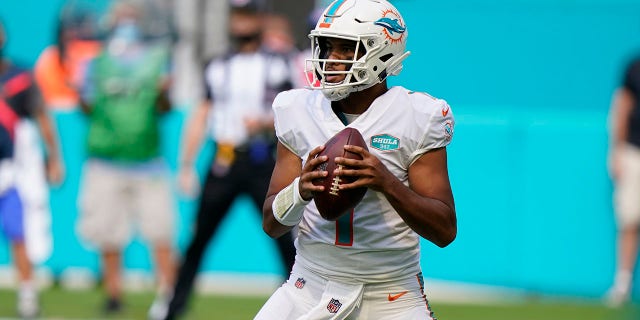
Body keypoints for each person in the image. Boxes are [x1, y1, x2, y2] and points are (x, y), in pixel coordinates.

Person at [255, 0, 457, 319]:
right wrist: (300, 190)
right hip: (308, 287)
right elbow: (271, 224)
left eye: (345, 49)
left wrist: (387, 183)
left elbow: (445, 230)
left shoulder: (418, 116)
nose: (330, 60)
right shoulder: (297, 110)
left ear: (383, 52)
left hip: (391, 296)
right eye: (326, 47)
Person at [160, 3, 296, 319]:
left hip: (262, 159)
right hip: (224, 159)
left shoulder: (279, 63)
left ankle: (302, 303)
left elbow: (294, 113)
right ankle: (173, 307)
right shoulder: (217, 65)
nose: (242, 23)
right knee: (198, 239)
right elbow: (202, 113)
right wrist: (185, 164)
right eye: (237, 15)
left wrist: (265, 124)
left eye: (248, 15)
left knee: (283, 236)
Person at [75, 0, 176, 315]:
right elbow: (87, 106)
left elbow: (164, 107)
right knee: (108, 233)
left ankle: (167, 294)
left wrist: (162, 93)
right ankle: (114, 294)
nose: (126, 24)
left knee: (160, 231)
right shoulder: (94, 63)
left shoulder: (158, 61)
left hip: (147, 160)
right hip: (105, 159)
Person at [0, 20, 64, 318]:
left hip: (9, 170)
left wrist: (54, 157)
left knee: (19, 233)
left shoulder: (19, 78)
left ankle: (27, 294)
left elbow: (42, 118)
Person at [606, 56, 640, 306]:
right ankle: (623, 285)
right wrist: (616, 150)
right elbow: (622, 105)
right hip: (633, 152)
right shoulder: (635, 66)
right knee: (629, 219)